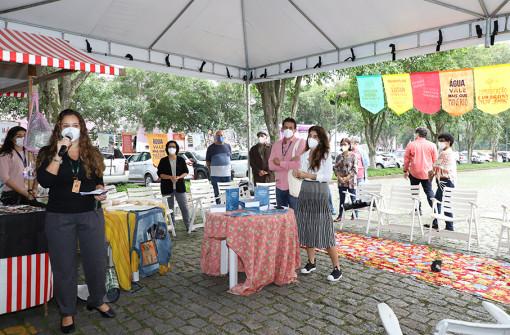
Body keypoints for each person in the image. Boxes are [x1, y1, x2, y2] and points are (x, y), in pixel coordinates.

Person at [36, 109, 115, 334]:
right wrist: (59, 153)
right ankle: (67, 312)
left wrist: (101, 191)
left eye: (76, 124)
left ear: (82, 128)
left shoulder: (92, 153)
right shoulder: (49, 152)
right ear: (59, 128)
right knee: (64, 266)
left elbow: (98, 180)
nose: (71, 128)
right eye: (66, 124)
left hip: (90, 213)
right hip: (59, 217)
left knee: (96, 260)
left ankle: (97, 299)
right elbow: (45, 180)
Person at [293, 126, 342, 282]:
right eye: (310, 135)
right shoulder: (305, 154)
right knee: (307, 226)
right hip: (305, 191)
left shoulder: (326, 155)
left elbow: (327, 176)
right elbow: (300, 173)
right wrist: (298, 174)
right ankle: (311, 262)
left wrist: (306, 174)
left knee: (325, 229)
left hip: (320, 192)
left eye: (315, 136)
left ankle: (337, 268)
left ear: (321, 139)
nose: (311, 138)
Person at [268, 118, 306, 209]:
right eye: (285, 127)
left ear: (295, 130)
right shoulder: (276, 144)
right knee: (281, 217)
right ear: (282, 129)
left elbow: (299, 165)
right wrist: (289, 164)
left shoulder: (301, 143)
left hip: (294, 186)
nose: (288, 130)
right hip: (279, 186)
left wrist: (280, 163)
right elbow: (270, 166)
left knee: (296, 217)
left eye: (290, 128)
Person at [0, 126, 42, 206]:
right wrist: (25, 193)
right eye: (19, 136)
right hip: (12, 196)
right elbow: (5, 178)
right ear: (11, 138)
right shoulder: (5, 155)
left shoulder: (30, 153)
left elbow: (36, 172)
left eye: (25, 136)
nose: (23, 138)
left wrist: (35, 188)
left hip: (29, 194)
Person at [157, 140, 191, 231]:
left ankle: (188, 226)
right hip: (167, 188)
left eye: (174, 146)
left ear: (176, 148)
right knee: (169, 209)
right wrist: (170, 177)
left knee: (184, 207)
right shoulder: (163, 160)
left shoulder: (181, 159)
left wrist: (179, 177)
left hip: (180, 187)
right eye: (170, 147)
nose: (172, 148)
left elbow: (186, 172)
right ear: (167, 148)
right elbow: (160, 174)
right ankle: (172, 227)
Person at [427, 133, 457, 231]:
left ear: (448, 142)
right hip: (447, 181)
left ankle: (449, 226)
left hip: (445, 181)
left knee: (440, 202)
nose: (440, 143)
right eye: (439, 140)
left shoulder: (445, 153)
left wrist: (429, 178)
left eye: (442, 141)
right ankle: (437, 223)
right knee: (440, 202)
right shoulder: (450, 152)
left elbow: (434, 167)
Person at [403, 127, 437, 211]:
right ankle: (435, 210)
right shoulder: (432, 145)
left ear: (417, 134)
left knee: (415, 191)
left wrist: (405, 170)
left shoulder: (411, 145)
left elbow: (406, 159)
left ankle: (417, 210)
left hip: (414, 172)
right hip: (427, 173)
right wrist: (434, 172)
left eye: (415, 133)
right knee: (429, 191)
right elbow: (435, 161)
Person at [333, 138, 358, 222]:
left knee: (353, 198)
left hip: (351, 182)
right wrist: (339, 177)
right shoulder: (339, 156)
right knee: (342, 199)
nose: (343, 146)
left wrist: (347, 177)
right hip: (341, 182)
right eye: (342, 144)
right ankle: (340, 215)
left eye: (345, 144)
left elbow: (355, 169)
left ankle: (355, 214)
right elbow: (335, 168)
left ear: (349, 145)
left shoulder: (353, 156)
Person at [206, 130, 232, 203]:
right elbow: (208, 161)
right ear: (215, 137)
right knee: (217, 194)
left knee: (227, 193)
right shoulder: (211, 148)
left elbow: (229, 158)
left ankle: (227, 209)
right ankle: (218, 209)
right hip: (215, 176)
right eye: (218, 135)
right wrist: (211, 172)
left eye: (221, 135)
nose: (220, 137)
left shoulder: (228, 146)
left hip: (227, 175)